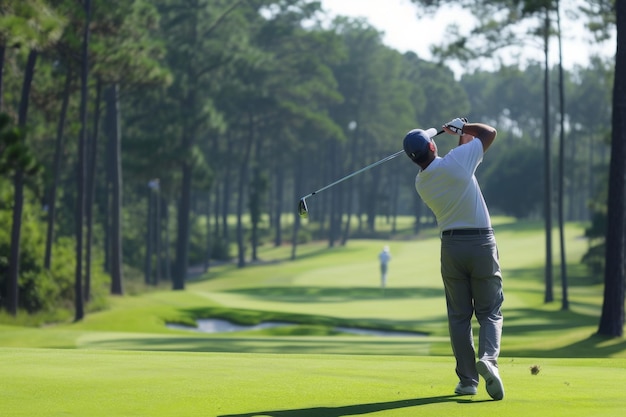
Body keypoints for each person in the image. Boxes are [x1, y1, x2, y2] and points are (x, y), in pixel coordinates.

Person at [402, 118, 505, 400]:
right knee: (490, 311)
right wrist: (463, 127)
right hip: (481, 243)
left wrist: (461, 135)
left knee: (459, 317)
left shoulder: (422, 182)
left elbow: (463, 157)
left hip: (451, 247)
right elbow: (489, 133)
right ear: (433, 145)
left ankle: (468, 380)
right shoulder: (458, 164)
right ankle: (489, 361)